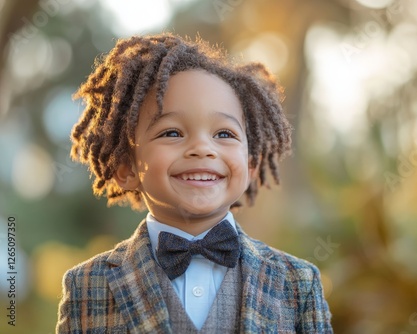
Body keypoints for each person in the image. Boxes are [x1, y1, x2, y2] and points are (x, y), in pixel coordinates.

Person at [56, 32, 333, 333]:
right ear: (126, 168)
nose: (203, 148)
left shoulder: (298, 283)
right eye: (172, 132)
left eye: (224, 134)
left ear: (251, 165)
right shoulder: (86, 286)